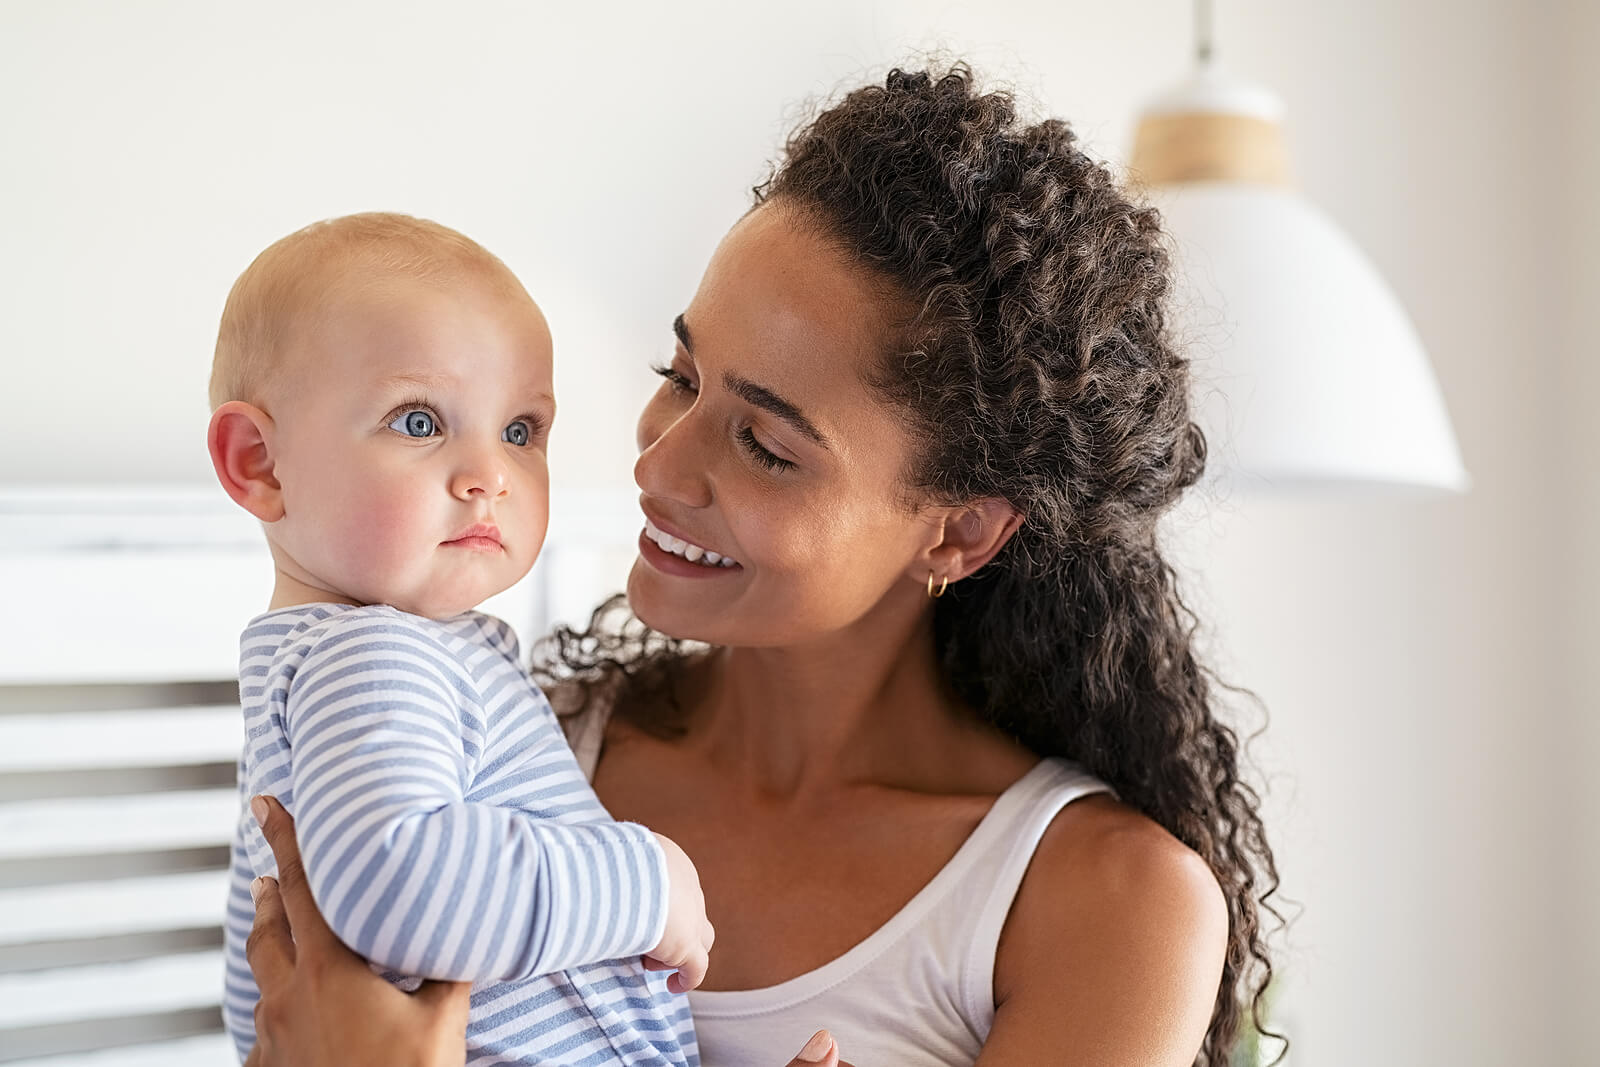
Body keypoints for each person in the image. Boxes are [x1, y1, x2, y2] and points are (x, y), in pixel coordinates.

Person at [240, 65, 1281, 1067]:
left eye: (766, 446)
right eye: (680, 375)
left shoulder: (1104, 900)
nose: (656, 462)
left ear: (957, 531)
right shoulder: (506, 757)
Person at [205, 213, 713, 1066]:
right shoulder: (369, 656)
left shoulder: (380, 658)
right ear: (260, 461)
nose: (492, 475)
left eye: (521, 430)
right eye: (418, 420)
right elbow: (398, 883)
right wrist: (646, 882)